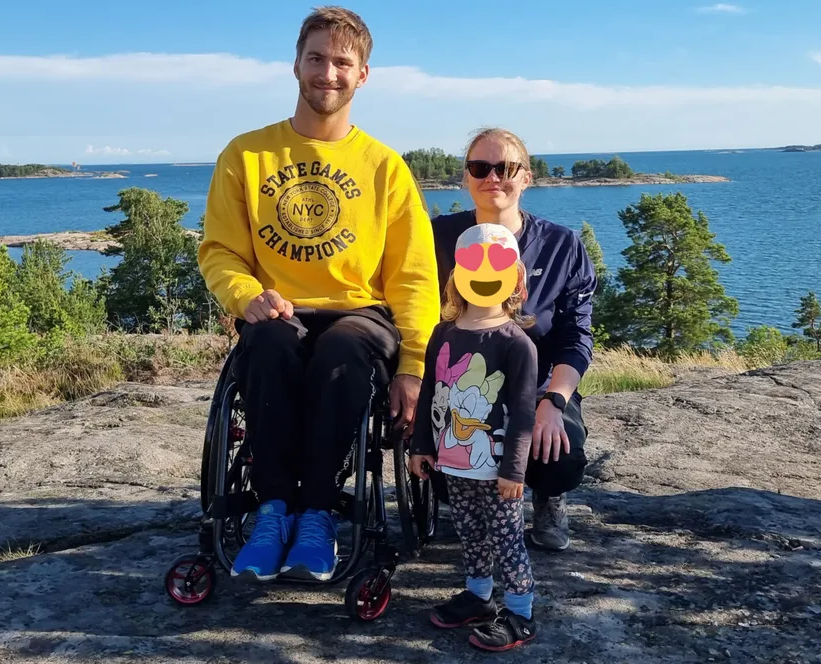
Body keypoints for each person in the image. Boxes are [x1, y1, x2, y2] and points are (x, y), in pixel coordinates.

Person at [197, 6, 440, 582]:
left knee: (342, 350)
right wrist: (245, 295)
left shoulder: (385, 167)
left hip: (361, 314)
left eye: (342, 62)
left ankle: (318, 513)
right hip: (278, 309)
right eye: (316, 58)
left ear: (362, 75)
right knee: (269, 343)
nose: (327, 73)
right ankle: (273, 511)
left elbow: (413, 276)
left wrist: (413, 366)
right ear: (296, 65)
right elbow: (220, 251)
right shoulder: (246, 155)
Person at [430, 127, 596, 552]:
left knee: (559, 458)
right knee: (443, 477)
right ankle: (481, 503)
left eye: (505, 168)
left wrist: (554, 402)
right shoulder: (436, 239)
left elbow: (576, 336)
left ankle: (548, 496)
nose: (492, 178)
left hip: (537, 389)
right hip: (461, 391)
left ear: (526, 177)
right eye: (479, 168)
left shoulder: (561, 246)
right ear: (466, 177)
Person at [409, 222, 539, 652]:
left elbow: (523, 413)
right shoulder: (442, 334)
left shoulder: (516, 343)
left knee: (506, 538)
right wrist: (421, 445)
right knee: (469, 531)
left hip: (497, 468)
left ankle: (520, 612)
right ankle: (479, 596)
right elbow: (431, 391)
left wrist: (514, 469)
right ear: (456, 276)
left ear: (515, 279)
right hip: (454, 461)